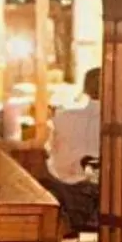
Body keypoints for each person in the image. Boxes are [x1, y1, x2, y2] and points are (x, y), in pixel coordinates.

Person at [46, 68, 104, 231]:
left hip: (66, 195)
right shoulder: (118, 125)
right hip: (102, 200)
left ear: (85, 90)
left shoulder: (62, 118)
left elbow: (51, 154)